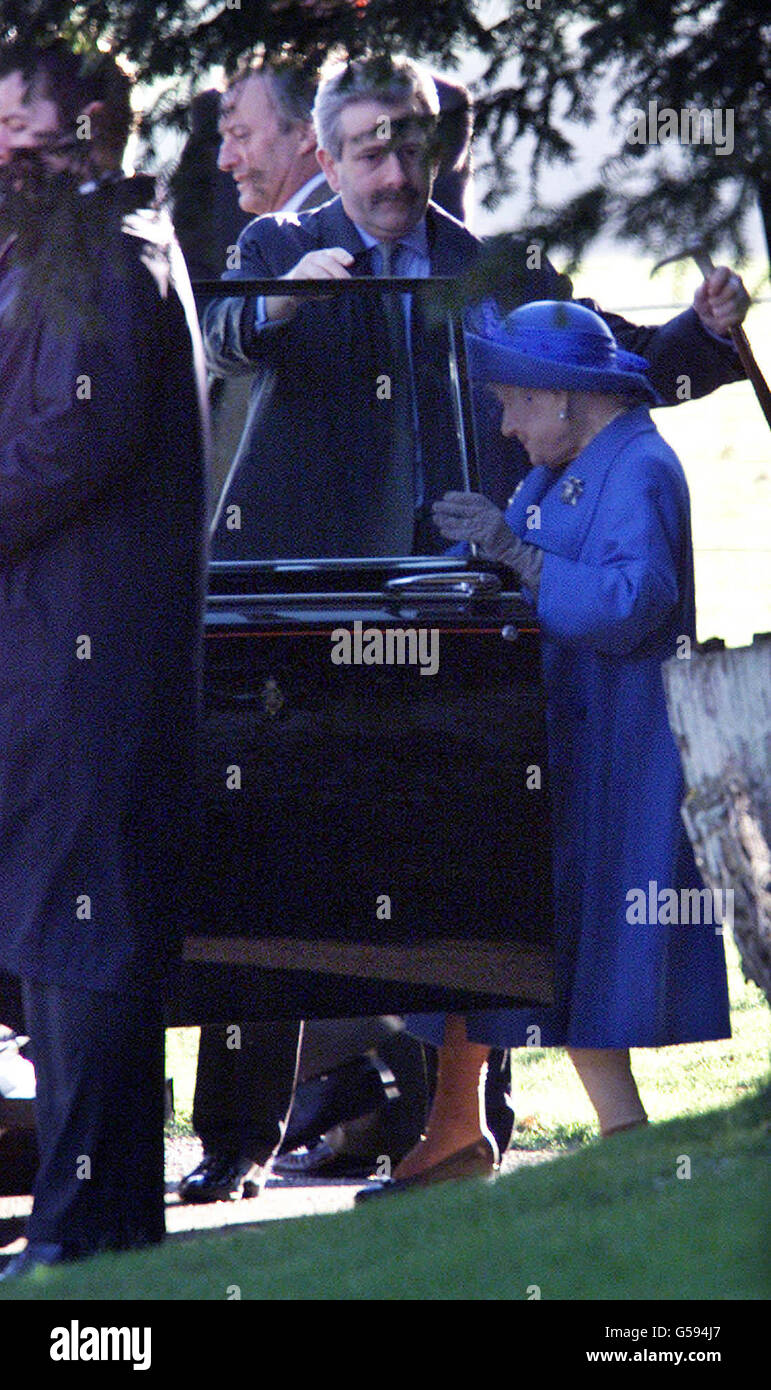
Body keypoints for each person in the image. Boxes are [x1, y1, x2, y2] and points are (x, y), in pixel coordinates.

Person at [357, 299, 732, 1197]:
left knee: (581, 944)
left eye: (515, 403)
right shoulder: (563, 465)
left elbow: (631, 603)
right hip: (558, 745)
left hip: (617, 754)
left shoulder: (638, 465)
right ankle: (522, 1140)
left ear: (566, 399)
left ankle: (626, 1149)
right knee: (533, 941)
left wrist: (516, 561)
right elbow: (523, 564)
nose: (506, 424)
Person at [204, 51, 748, 565]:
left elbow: (615, 361)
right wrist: (280, 298)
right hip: (324, 569)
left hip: (470, 569)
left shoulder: (500, 269)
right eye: (372, 157)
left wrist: (707, 330)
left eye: (412, 153)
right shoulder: (278, 247)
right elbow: (217, 340)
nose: (397, 177)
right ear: (329, 162)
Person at [0, 40, 208, 1277]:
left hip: (89, 664)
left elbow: (67, 446)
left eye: (11, 117)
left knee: (86, 940)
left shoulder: (113, 259)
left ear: (84, 125)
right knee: (68, 937)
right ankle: (102, 1221)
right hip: (51, 657)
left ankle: (87, 1230)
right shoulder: (71, 252)